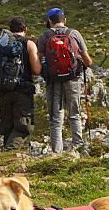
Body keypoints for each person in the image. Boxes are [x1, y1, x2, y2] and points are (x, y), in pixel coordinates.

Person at [37, 8, 93, 153]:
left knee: (56, 117)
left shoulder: (44, 36)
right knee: (74, 113)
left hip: (53, 80)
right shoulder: (74, 34)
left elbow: (39, 60)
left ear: (49, 21)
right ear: (65, 20)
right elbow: (88, 62)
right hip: (72, 78)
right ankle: (78, 146)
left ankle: (57, 151)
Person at [0, 16, 42, 151]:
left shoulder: (1, 44)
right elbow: (37, 70)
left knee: (7, 126)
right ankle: (9, 153)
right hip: (22, 90)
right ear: (25, 29)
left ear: (10, 29)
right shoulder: (29, 44)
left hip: (3, 90)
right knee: (23, 127)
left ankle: (4, 157)